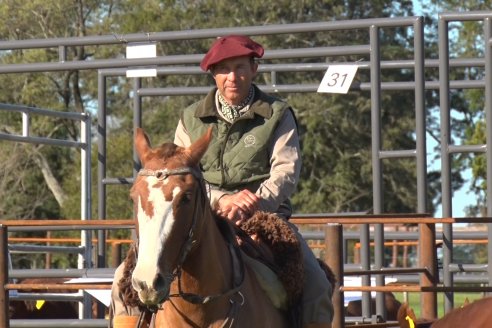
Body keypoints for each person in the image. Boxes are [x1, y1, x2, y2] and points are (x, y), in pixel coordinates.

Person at [109, 35, 334, 328]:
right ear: (214, 74)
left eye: (240, 67)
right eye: (224, 70)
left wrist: (254, 203)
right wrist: (220, 199)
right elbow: (180, 175)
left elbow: (286, 171)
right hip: (200, 215)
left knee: (316, 284)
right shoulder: (191, 117)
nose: (232, 77)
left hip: (265, 218)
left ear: (254, 69)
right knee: (122, 279)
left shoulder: (277, 114)